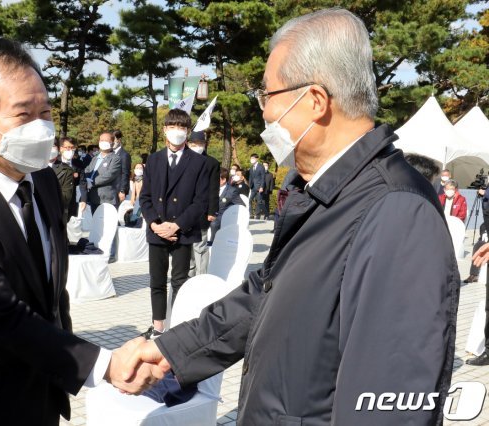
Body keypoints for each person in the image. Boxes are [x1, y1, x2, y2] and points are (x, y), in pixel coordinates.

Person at [124, 9, 459, 425]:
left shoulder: (397, 212)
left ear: (315, 101)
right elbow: (269, 293)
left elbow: (391, 401)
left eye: (268, 95)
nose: (264, 111)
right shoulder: (326, 193)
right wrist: (172, 350)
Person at [0, 38, 161, 426]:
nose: (41, 128)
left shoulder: (43, 181)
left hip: (40, 392)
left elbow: (52, 294)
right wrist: (104, 365)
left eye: (46, 112)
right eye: (23, 115)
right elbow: (0, 314)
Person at [139, 109, 208, 339]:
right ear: (165, 130)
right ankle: (158, 328)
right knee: (157, 281)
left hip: (182, 231)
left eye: (182, 127)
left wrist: (176, 225)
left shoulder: (199, 163)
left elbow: (200, 202)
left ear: (188, 132)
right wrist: (155, 224)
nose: (177, 131)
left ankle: (176, 328)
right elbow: (145, 197)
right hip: (157, 229)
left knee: (180, 281)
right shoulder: (154, 159)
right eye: (172, 127)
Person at [187, 130, 219, 277]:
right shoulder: (183, 159)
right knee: (186, 247)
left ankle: (201, 277)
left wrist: (212, 211)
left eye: (200, 144)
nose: (197, 146)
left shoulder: (212, 163)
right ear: (188, 144)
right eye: (193, 144)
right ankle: (188, 275)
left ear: (205, 145)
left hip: (202, 210)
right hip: (184, 210)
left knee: (200, 246)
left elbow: (214, 188)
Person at [83, 132, 122, 214]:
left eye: (106, 140)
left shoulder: (116, 159)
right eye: (101, 140)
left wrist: (92, 182)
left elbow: (109, 175)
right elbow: (87, 170)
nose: (103, 142)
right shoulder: (95, 158)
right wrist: (86, 179)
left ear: (112, 143)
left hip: (107, 198)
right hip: (93, 196)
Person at [52, 136, 83, 223]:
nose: (70, 150)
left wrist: (83, 199)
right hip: (56, 202)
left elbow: (82, 182)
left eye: (72, 148)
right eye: (67, 147)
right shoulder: (54, 162)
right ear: (60, 148)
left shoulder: (79, 163)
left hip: (71, 199)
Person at [209, 167, 244, 242]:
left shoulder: (232, 191)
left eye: (215, 178)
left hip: (222, 215)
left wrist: (230, 212)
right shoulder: (210, 188)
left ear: (223, 180)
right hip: (209, 213)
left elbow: (241, 206)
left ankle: (213, 243)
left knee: (214, 224)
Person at [113, 129, 132, 204]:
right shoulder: (109, 153)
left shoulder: (124, 155)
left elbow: (125, 173)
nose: (112, 142)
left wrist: (123, 190)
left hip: (118, 190)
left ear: (119, 139)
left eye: (113, 139)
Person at [247, 153, 265, 219]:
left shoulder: (261, 167)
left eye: (253, 158)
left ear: (257, 159)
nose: (252, 160)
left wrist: (262, 187)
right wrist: (249, 186)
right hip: (253, 187)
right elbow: (250, 177)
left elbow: (263, 178)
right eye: (251, 158)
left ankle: (257, 215)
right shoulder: (251, 167)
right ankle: (251, 214)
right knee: (249, 200)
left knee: (258, 201)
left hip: (259, 187)